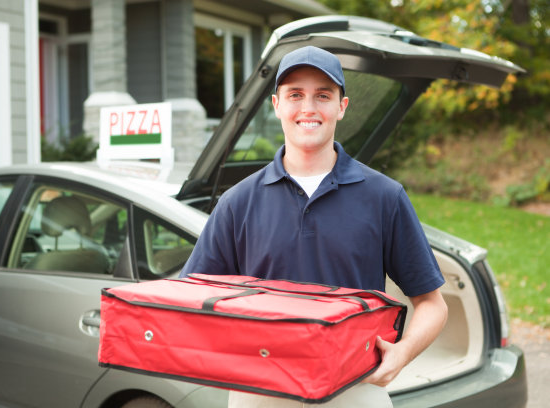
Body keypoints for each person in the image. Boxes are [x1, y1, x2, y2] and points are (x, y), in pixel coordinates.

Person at [179, 46, 448, 407]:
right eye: (295, 95)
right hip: (259, 393)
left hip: (355, 391)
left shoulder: (384, 196)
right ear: (276, 105)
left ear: (342, 106)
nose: (308, 108)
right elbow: (190, 301)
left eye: (323, 95)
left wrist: (401, 354)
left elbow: (432, 304)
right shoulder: (236, 203)